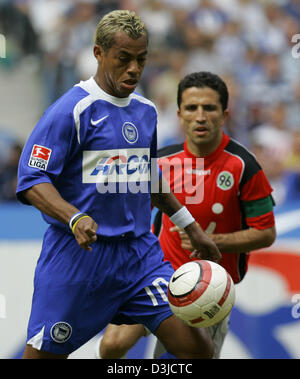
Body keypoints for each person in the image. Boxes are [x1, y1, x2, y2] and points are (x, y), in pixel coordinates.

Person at [16, 11, 221, 359]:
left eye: (141, 59)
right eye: (123, 59)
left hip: (139, 256)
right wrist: (75, 217)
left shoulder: (146, 110)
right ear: (99, 53)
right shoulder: (72, 110)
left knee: (195, 350)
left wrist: (190, 226)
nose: (134, 69)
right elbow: (32, 179)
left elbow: (148, 178)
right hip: (79, 257)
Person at [97, 71, 276, 359]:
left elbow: (266, 232)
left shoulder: (245, 167)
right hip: (155, 276)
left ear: (224, 113)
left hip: (208, 289)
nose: (200, 116)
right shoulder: (161, 161)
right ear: (180, 114)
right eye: (192, 108)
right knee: (111, 345)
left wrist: (211, 240)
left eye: (209, 108)